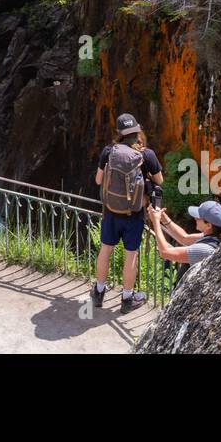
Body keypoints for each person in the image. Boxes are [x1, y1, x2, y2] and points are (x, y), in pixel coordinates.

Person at [91, 113, 163, 313]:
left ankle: (98, 292)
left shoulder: (109, 151)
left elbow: (98, 180)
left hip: (111, 211)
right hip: (134, 214)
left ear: (119, 133)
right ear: (138, 130)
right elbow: (160, 181)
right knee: (131, 255)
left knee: (106, 250)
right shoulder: (147, 155)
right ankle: (127, 299)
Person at [150, 199, 221, 266]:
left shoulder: (204, 250)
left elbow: (165, 252)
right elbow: (184, 238)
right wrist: (164, 219)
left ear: (209, 225)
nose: (195, 218)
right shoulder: (214, 237)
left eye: (198, 217)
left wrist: (155, 221)